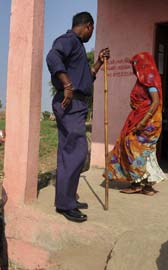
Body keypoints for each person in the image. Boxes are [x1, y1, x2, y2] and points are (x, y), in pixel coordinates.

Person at [46, 11, 110, 222]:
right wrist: (67, 84)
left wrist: (99, 63)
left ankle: (67, 199)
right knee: (77, 152)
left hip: (77, 104)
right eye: (92, 30)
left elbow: (86, 77)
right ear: (88, 26)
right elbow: (52, 57)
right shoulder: (69, 40)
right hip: (69, 102)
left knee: (71, 152)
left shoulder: (78, 48)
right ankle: (65, 204)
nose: (91, 33)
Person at [106, 52, 165, 195]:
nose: (134, 67)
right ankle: (147, 186)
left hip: (148, 122)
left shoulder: (149, 78)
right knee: (146, 153)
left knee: (132, 145)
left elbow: (155, 101)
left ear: (143, 64)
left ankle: (137, 183)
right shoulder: (143, 79)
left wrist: (143, 122)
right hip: (142, 118)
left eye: (136, 64)